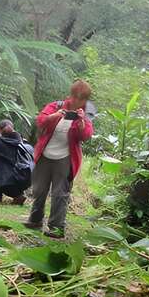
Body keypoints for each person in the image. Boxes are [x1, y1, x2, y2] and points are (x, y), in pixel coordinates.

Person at [23, 80, 94, 238]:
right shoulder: (56, 106)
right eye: (75, 96)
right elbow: (40, 121)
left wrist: (81, 122)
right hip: (45, 155)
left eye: (81, 99)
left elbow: (86, 135)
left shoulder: (86, 114)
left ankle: (57, 227)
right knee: (39, 189)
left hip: (65, 158)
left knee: (60, 193)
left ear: (85, 100)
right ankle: (35, 219)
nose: (77, 101)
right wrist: (54, 116)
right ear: (70, 95)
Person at [0, 120, 34, 205]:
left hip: (2, 178)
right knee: (9, 185)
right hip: (21, 176)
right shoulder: (21, 141)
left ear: (0, 130)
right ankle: (18, 196)